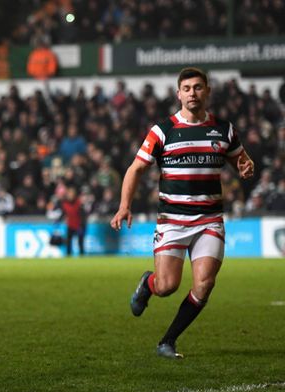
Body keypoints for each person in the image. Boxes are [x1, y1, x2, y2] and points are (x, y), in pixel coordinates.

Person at [110, 67, 255, 359]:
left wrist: (246, 165)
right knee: (167, 286)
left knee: (204, 284)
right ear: (178, 94)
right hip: (173, 221)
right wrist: (125, 205)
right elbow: (135, 169)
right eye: (187, 88)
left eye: (198, 87)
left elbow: (241, 159)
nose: (192, 93)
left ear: (207, 92)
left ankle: (168, 341)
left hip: (209, 221)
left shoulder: (224, 130)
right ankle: (148, 284)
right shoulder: (163, 131)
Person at [60, 186, 86, 256]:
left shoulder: (79, 203)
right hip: (70, 225)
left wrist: (82, 225)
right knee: (68, 242)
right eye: (69, 194)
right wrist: (58, 221)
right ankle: (68, 256)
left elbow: (83, 215)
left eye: (71, 194)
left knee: (80, 242)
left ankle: (82, 256)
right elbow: (63, 213)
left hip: (79, 225)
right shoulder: (65, 203)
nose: (70, 195)